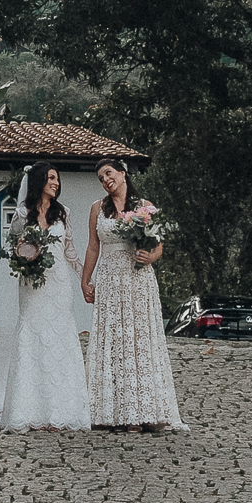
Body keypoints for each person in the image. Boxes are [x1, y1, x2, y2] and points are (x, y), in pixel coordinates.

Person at [0, 161, 91, 431]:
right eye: (51, 178)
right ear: (39, 181)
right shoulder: (22, 214)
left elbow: (71, 253)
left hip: (59, 285)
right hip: (31, 285)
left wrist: (86, 281)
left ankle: (59, 411)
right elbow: (14, 247)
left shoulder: (63, 213)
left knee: (59, 339)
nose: (56, 183)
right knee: (32, 336)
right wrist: (24, 260)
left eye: (57, 179)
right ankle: (32, 410)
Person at [81, 157, 186, 432]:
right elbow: (93, 246)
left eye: (108, 173)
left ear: (123, 173)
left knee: (140, 343)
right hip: (110, 280)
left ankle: (144, 413)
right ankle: (115, 413)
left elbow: (159, 244)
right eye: (101, 178)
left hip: (138, 279)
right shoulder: (96, 209)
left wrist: (150, 256)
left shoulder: (144, 207)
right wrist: (85, 280)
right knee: (114, 342)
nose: (105, 180)